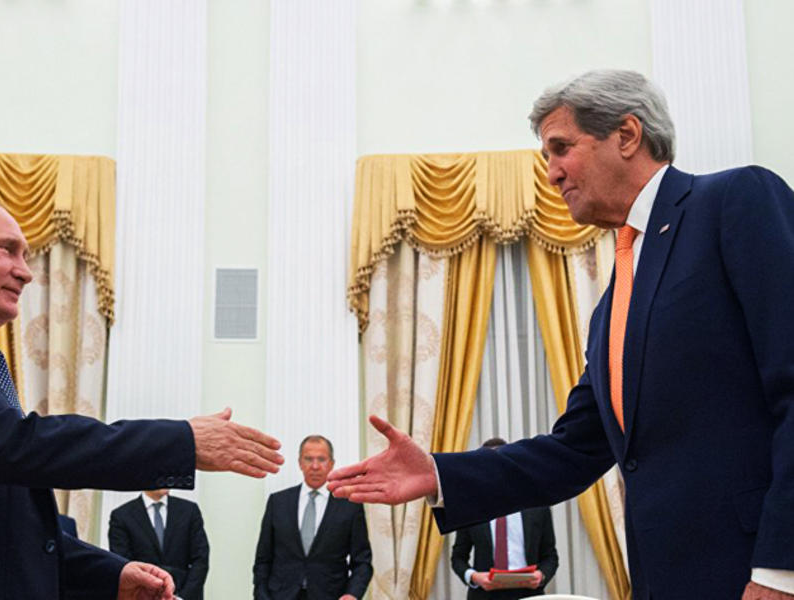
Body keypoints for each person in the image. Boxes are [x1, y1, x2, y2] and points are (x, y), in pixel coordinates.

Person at [327, 70, 794, 600]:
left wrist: (781, 569)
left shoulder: (735, 201)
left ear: (627, 135)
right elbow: (572, 451)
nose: (551, 174)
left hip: (759, 575)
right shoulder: (610, 306)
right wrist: (439, 473)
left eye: (560, 148)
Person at [0, 194, 284, 599]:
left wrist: (110, 575)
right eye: (6, 249)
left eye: (26, 255)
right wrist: (181, 441)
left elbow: (6, 524)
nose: (25, 273)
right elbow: (17, 447)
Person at [253, 435, 372, 600]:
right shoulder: (278, 502)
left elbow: (362, 562)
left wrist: (352, 594)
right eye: (308, 459)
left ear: (331, 464)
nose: (315, 466)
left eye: (321, 459)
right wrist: (261, 595)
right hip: (280, 595)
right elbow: (263, 559)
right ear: (300, 463)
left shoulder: (350, 506)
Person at [450, 438, 557, 599]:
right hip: (484, 594)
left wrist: (541, 576)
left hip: (528, 595)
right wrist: (474, 577)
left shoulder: (537, 506)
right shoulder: (471, 506)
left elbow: (550, 555)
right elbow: (458, 557)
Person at [109, 489, 210, 600]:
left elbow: (201, 558)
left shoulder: (189, 510)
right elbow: (123, 563)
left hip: (184, 594)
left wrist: (182, 597)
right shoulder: (122, 516)